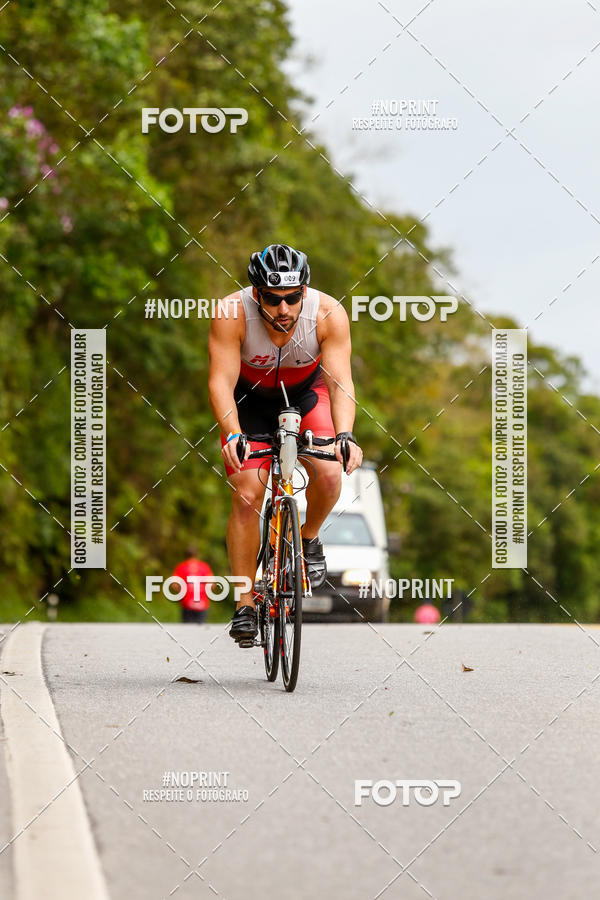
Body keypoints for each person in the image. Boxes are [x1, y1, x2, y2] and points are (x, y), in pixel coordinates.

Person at [208, 243, 363, 646]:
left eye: (293, 298)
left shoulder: (328, 313)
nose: (284, 309)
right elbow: (220, 381)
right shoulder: (231, 312)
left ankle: (308, 539)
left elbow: (340, 380)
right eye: (274, 299)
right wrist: (233, 434)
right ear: (256, 293)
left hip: (307, 395)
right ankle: (244, 602)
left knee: (329, 473)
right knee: (246, 493)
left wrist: (344, 434)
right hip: (249, 400)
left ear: (304, 292)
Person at [172, 547, 213, 624]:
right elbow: (212, 584)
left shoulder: (181, 567)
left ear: (185, 555)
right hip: (202, 603)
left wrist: (182, 593)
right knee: (200, 629)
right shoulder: (204, 567)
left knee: (187, 630)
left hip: (187, 603)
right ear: (197, 555)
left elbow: (174, 585)